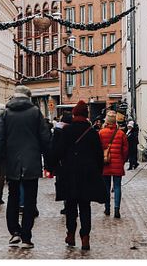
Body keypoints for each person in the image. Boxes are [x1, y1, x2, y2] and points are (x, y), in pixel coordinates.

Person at [0, 85, 51, 249]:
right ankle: (26, 236)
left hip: (12, 163)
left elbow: (0, 140)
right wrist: (50, 162)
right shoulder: (35, 112)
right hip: (32, 162)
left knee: (13, 197)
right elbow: (45, 139)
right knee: (30, 200)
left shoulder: (6, 114)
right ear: (28, 97)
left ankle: (14, 232)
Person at [52, 101, 106, 251]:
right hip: (87, 175)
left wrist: (55, 167)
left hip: (69, 174)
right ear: (86, 115)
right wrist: (97, 172)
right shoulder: (92, 133)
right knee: (85, 206)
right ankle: (85, 237)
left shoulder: (67, 131)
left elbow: (58, 152)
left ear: (75, 114)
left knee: (70, 206)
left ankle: (70, 234)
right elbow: (99, 156)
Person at [99, 110, 128, 219]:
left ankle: (107, 208)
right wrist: (122, 160)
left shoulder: (101, 133)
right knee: (117, 186)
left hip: (105, 163)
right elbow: (125, 150)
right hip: (117, 163)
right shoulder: (121, 133)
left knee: (106, 186)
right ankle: (117, 209)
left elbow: (98, 148)